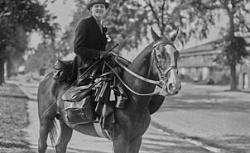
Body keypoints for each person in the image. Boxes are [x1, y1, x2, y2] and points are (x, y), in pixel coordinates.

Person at [73, 0, 110, 84]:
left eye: (102, 6)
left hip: (99, 65)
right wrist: (99, 54)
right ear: (91, 9)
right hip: (85, 66)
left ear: (105, 10)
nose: (99, 8)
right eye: (96, 6)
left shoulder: (102, 27)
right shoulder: (84, 24)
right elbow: (77, 48)